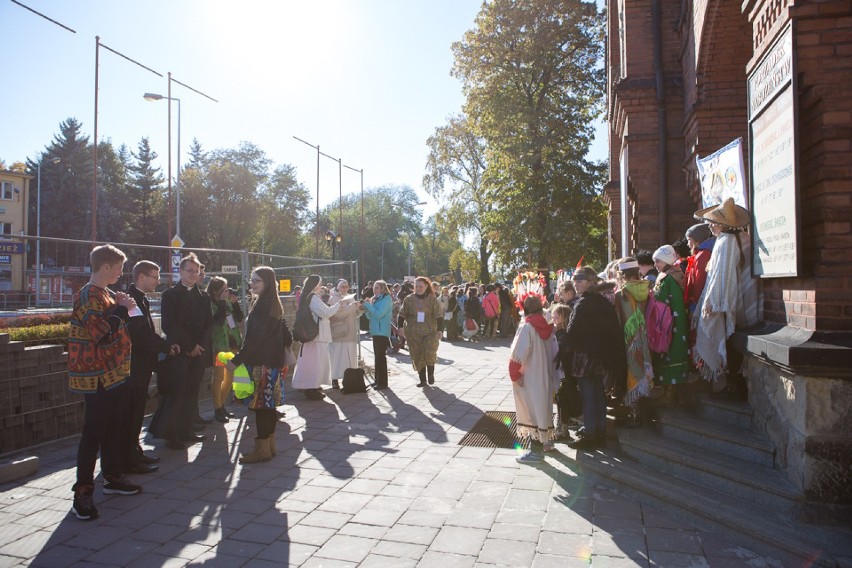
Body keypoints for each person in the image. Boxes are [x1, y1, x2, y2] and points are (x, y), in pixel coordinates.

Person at [68, 245, 141, 521]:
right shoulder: (88, 294)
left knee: (114, 426)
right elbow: (101, 334)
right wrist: (122, 309)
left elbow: (118, 324)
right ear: (106, 267)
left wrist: (123, 307)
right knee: (94, 432)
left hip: (114, 373)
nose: (122, 273)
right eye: (119, 267)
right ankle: (83, 493)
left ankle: (112, 477)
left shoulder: (106, 293)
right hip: (96, 375)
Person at [692, 198, 758, 397]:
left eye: (713, 222)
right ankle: (731, 382)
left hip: (729, 303)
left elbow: (723, 275)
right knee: (732, 342)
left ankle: (731, 384)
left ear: (723, 224)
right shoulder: (740, 238)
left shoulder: (727, 242)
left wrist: (714, 302)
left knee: (728, 340)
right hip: (740, 300)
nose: (710, 225)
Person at [227, 267, 291, 464]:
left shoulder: (262, 305)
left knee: (261, 407)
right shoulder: (273, 303)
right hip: (271, 362)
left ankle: (262, 450)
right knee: (268, 407)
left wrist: (236, 361)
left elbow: (254, 339)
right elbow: (285, 335)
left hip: (261, 364)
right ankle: (269, 447)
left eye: (257, 281)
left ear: (267, 283)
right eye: (252, 280)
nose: (252, 284)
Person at [563, 267, 626, 450]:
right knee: (597, 394)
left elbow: (573, 333)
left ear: (590, 282)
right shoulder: (601, 301)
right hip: (599, 358)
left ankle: (591, 433)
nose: (576, 284)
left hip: (587, 359)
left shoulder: (585, 303)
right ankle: (599, 430)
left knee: (589, 395)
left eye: (580, 281)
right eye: (575, 281)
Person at [126, 260, 179, 474]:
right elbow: (140, 336)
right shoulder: (131, 301)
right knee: (132, 412)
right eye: (154, 277)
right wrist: (165, 348)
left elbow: (148, 332)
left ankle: (134, 452)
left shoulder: (141, 299)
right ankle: (129, 457)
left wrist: (165, 346)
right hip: (135, 366)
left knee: (137, 412)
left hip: (143, 364)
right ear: (141, 276)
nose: (158, 281)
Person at [157, 253, 212, 449]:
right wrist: (189, 346)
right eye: (189, 271)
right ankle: (172, 435)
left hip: (198, 353)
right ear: (180, 271)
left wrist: (199, 347)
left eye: (196, 272)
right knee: (176, 395)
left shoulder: (203, 297)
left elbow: (208, 325)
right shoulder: (170, 295)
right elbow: (169, 325)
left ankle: (187, 430)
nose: (193, 275)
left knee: (191, 393)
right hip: (178, 351)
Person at [509, 295, 559, 463]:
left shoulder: (527, 327)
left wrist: (515, 374)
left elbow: (518, 353)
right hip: (545, 375)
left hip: (530, 376)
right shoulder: (548, 327)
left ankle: (536, 452)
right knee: (542, 409)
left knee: (531, 412)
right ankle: (547, 442)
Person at [612, 258, 653, 426]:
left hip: (629, 339)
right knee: (641, 369)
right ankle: (639, 413)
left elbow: (619, 319)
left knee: (631, 372)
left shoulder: (622, 294)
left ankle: (635, 416)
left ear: (622, 275)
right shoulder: (646, 289)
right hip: (644, 336)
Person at [292, 274, 341, 399]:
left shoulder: (306, 296)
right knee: (315, 363)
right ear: (315, 285)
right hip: (316, 335)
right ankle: (311, 387)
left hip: (311, 334)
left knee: (309, 361)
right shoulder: (313, 297)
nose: (321, 286)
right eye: (319, 284)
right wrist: (339, 304)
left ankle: (308, 385)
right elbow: (326, 312)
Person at [652, 245, 690, 403]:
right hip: (665, 323)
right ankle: (669, 391)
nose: (655, 265)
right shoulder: (665, 275)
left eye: (658, 261)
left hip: (672, 325)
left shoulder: (671, 278)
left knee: (672, 354)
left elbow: (676, 303)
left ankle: (672, 394)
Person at [206, 277, 244, 422]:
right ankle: (217, 408)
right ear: (216, 291)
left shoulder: (228, 302)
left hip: (232, 343)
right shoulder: (211, 304)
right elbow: (219, 320)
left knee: (230, 377)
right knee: (219, 377)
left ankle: (222, 405)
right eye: (224, 289)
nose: (227, 291)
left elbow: (239, 318)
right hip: (220, 345)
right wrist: (222, 301)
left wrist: (235, 304)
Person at [399, 277, 444, 387]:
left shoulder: (432, 299)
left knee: (429, 353)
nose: (418, 288)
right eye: (416, 286)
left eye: (421, 286)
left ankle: (431, 374)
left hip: (430, 332)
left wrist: (440, 330)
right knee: (418, 355)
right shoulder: (408, 299)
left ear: (426, 286)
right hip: (413, 333)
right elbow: (401, 314)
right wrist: (400, 327)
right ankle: (422, 380)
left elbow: (439, 316)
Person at [552, 303, 579, 441]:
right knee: (561, 399)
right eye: (554, 314)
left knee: (563, 399)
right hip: (563, 372)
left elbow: (562, 351)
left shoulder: (563, 334)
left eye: (558, 314)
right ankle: (562, 427)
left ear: (565, 317)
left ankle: (562, 429)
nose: (554, 316)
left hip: (565, 373)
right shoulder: (558, 332)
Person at [328, 279, 361, 389]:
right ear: (338, 287)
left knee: (349, 357)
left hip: (350, 331)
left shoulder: (350, 297)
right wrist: (353, 306)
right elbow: (339, 314)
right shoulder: (333, 298)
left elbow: (354, 314)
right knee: (336, 357)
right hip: (339, 332)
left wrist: (361, 308)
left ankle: (349, 379)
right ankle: (334, 379)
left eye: (347, 286)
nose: (345, 288)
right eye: (342, 286)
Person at [360, 280, 393, 390]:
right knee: (377, 357)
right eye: (374, 287)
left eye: (377, 287)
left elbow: (379, 314)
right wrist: (366, 308)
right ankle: (377, 380)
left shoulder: (386, 299)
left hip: (381, 332)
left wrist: (368, 306)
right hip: (376, 331)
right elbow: (371, 316)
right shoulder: (377, 299)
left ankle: (383, 383)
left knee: (381, 357)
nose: (375, 289)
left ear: (383, 289)